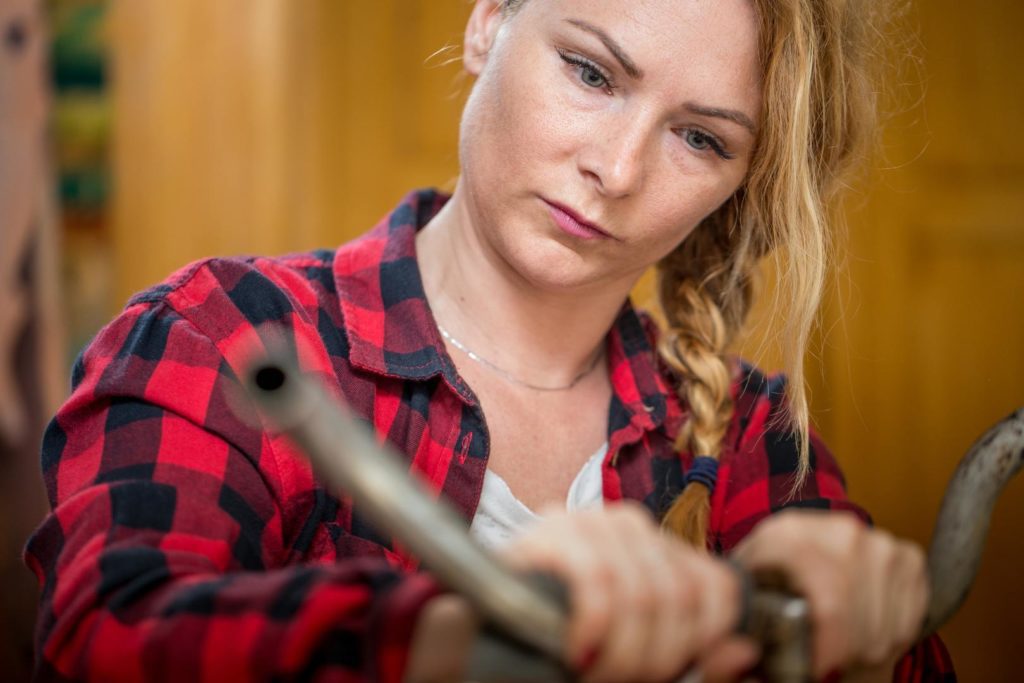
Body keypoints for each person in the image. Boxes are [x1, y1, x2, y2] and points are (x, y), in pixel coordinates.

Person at [25, 1, 955, 681]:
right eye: (591, 74)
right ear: (487, 23)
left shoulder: (758, 443)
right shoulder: (217, 335)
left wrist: (863, 651)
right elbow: (112, 641)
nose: (616, 169)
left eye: (701, 139)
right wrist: (461, 634)